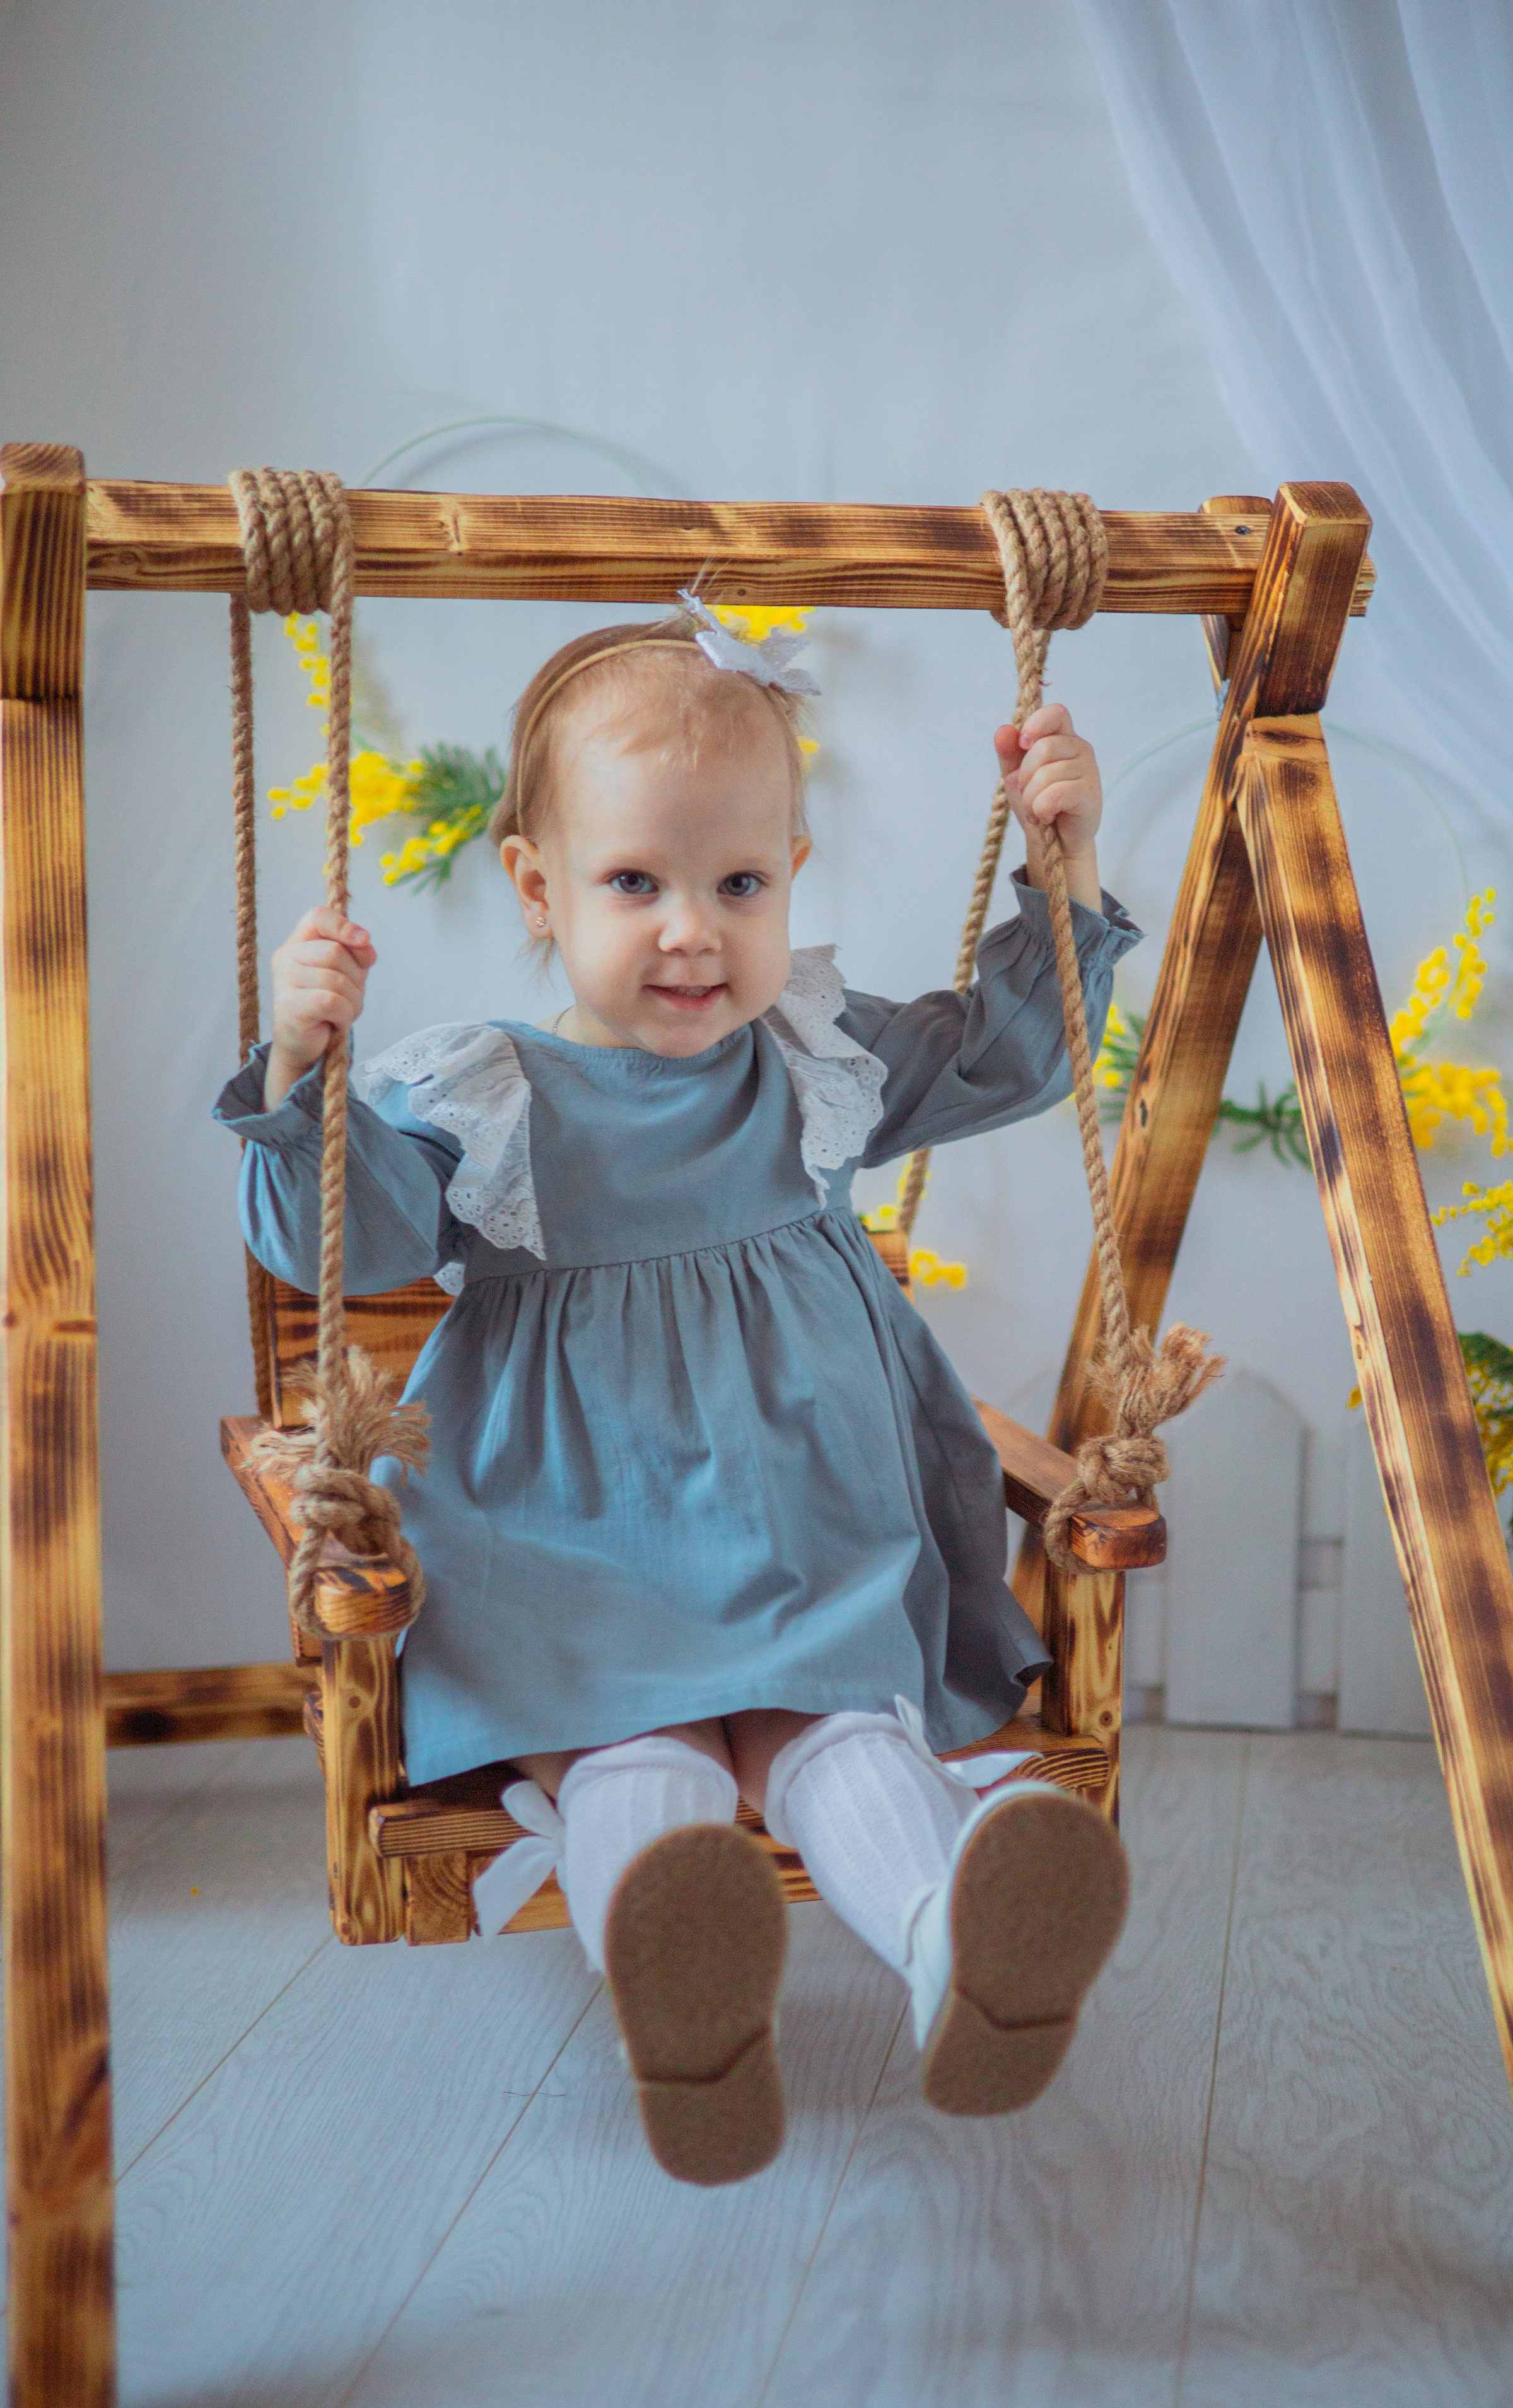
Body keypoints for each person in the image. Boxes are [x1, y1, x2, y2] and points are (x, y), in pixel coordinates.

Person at [216, 601, 1141, 2186]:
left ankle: (953, 1945)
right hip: (560, 1526)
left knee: (833, 1725)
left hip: (800, 1515)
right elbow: (339, 1236)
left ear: (792, 874)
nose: (692, 933)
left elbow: (1011, 1060)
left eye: (738, 885)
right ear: (537, 887)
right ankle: (676, 1990)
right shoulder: (488, 1092)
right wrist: (304, 1069)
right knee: (621, 1742)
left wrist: (1065, 872)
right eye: (635, 883)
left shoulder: (814, 1056)